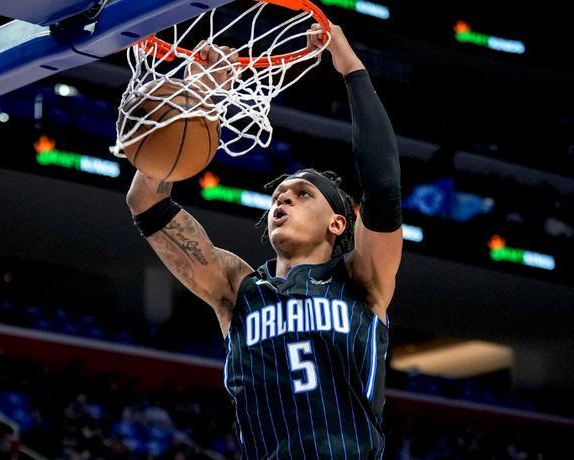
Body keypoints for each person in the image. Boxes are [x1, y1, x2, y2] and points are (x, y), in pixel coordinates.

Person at [125, 22, 403, 459]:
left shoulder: (360, 279)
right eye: (278, 196)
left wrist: (349, 65)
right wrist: (198, 93)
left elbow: (383, 184)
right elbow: (146, 201)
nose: (283, 199)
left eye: (302, 194)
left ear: (337, 223)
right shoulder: (238, 288)